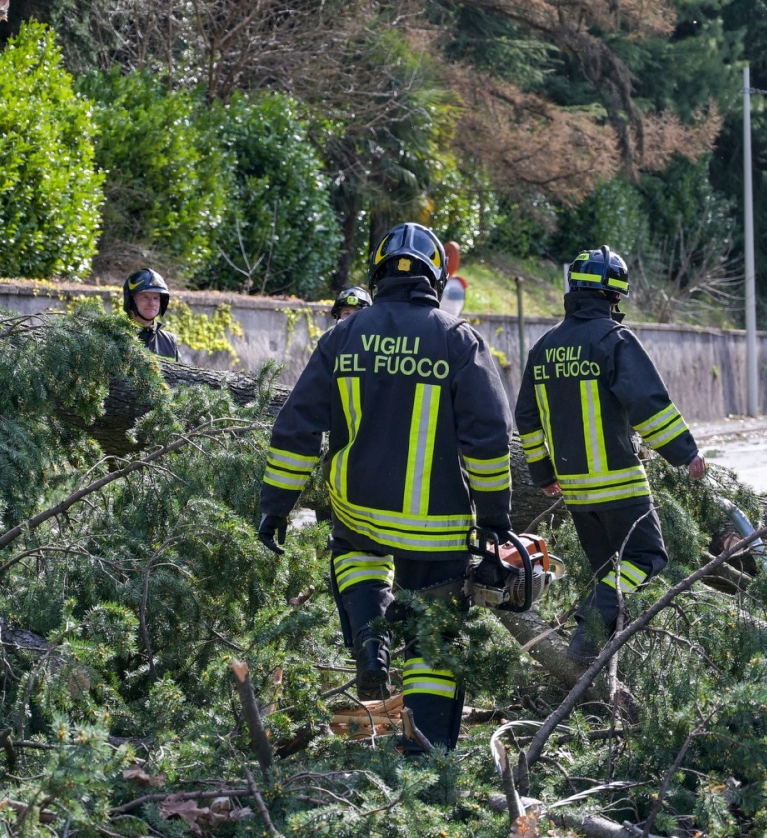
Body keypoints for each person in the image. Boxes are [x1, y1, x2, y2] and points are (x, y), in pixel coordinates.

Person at [256, 223, 515, 752]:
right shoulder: (458, 339)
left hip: (356, 510)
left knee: (356, 557)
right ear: (437, 276)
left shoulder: (342, 337)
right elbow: (488, 442)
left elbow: (297, 429)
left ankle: (371, 642)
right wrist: (494, 520)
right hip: (436, 527)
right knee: (433, 644)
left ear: (377, 274)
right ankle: (426, 755)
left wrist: (275, 507)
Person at [514, 246, 706, 663]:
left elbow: (526, 418)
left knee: (611, 575)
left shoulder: (544, 347)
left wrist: (543, 473)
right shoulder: (614, 340)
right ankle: (587, 627)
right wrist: (684, 454)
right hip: (621, 485)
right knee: (645, 558)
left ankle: (602, 662)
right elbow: (648, 404)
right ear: (614, 296)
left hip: (577, 495)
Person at [123, 268, 179, 360]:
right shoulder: (113, 336)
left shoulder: (169, 341)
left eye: (156, 298)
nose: (152, 303)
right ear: (131, 301)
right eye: (144, 297)